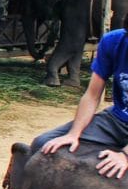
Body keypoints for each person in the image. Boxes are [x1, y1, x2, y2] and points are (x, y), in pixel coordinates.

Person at [32, 15, 128, 179]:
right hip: (117, 119)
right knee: (43, 143)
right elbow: (92, 95)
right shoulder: (113, 41)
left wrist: (125, 155)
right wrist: (73, 134)